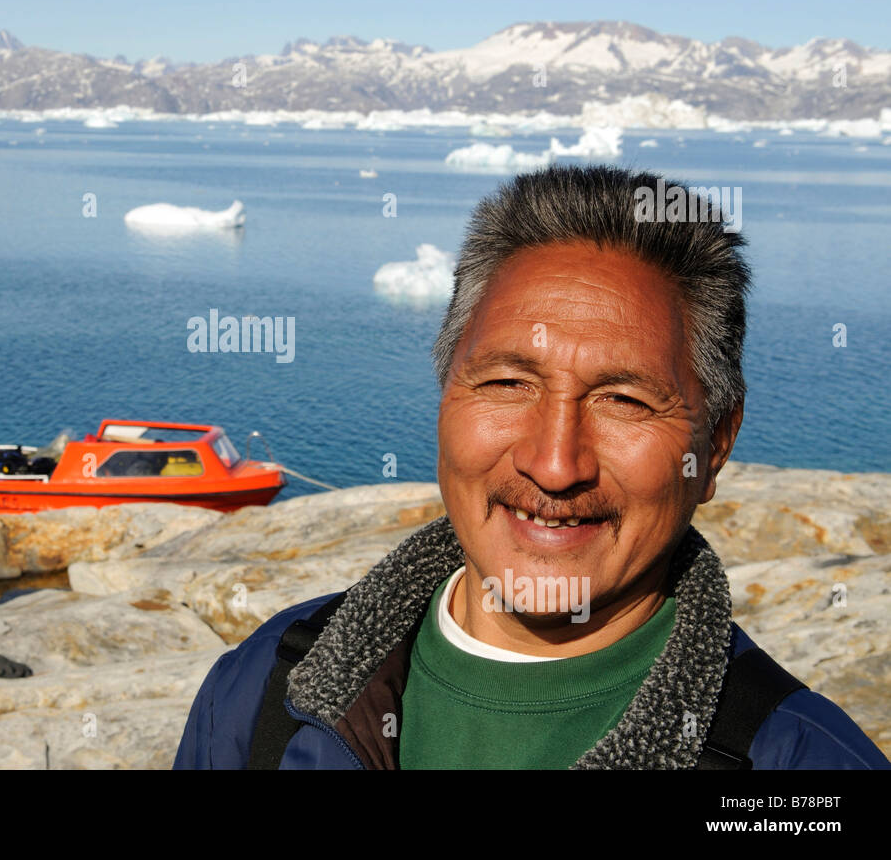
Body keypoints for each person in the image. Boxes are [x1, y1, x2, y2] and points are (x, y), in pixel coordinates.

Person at [173, 165, 890, 770]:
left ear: (717, 445)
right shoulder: (265, 691)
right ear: (445, 390)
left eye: (625, 399)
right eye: (508, 383)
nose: (554, 465)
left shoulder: (803, 769)